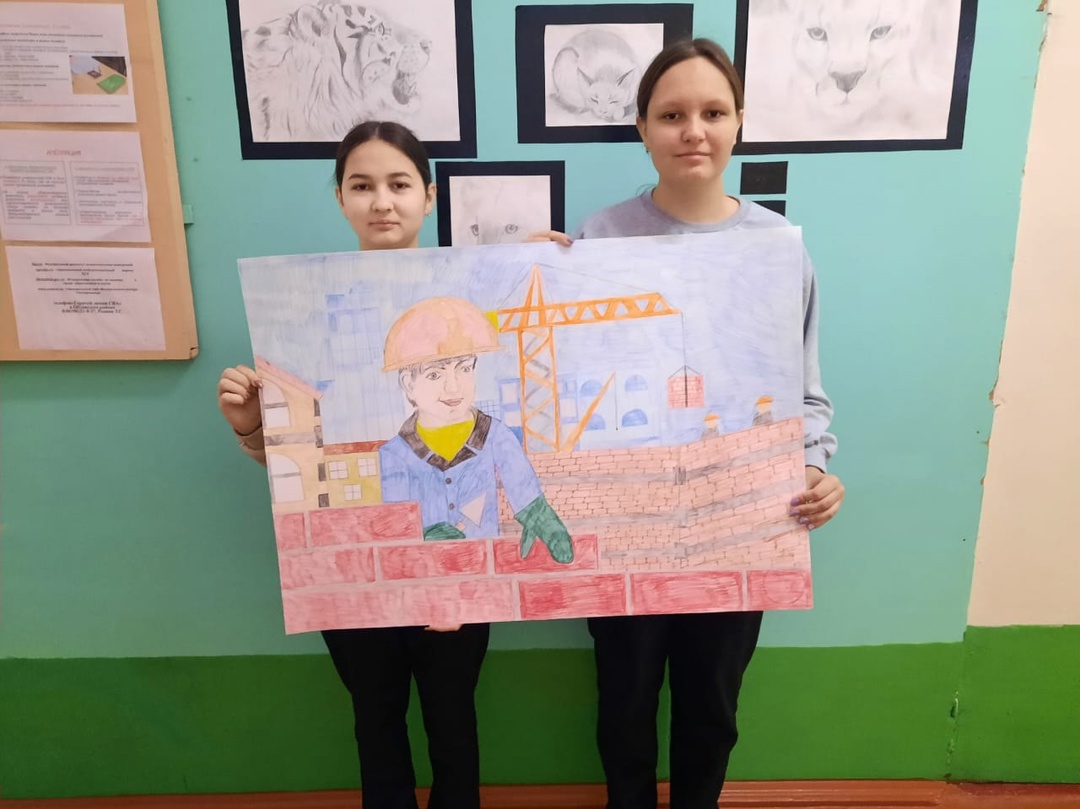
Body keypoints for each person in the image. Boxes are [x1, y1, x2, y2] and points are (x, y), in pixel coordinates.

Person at [533, 38, 846, 809]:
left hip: (741, 521)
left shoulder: (778, 249)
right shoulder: (601, 237)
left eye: (713, 112)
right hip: (626, 524)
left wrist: (814, 466)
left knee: (712, 705)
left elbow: (805, 392)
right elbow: (567, 388)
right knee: (624, 701)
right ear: (642, 128)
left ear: (740, 122)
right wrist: (530, 283)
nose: (694, 130)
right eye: (672, 115)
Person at [216, 120, 489, 809]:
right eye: (362, 185)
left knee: (453, 724)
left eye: (400, 184)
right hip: (351, 564)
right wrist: (253, 428)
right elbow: (303, 467)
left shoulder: (473, 295)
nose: (382, 201)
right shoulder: (301, 312)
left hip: (454, 555)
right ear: (339, 197)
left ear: (429, 195)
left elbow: (507, 435)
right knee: (376, 722)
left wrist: (460, 576)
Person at [378, 295, 574, 562]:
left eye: (464, 369)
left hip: (485, 566)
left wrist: (538, 515)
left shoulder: (495, 435)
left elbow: (522, 486)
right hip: (427, 570)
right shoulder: (395, 454)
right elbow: (394, 525)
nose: (453, 387)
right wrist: (419, 537)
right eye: (435, 374)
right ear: (408, 385)